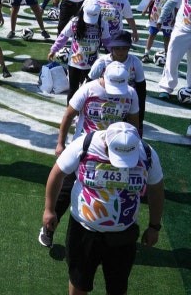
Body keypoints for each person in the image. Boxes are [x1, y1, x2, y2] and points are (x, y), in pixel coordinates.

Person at [42, 121, 164, 295]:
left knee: (118, 284)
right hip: (84, 230)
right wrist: (50, 209)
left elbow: (157, 188)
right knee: (79, 278)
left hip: (124, 234)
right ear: (106, 142)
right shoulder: (85, 144)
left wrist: (154, 226)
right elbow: (57, 173)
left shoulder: (147, 154)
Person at [40, 61, 140, 249]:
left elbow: (134, 125)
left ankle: (113, 233)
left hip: (116, 151)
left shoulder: (131, 94)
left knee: (116, 190)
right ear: (104, 77)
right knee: (66, 188)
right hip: (85, 148)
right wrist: (61, 143)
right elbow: (69, 115)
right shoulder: (89, 89)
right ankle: (50, 225)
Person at [49, 2, 103, 104]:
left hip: (92, 63)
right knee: (73, 89)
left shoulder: (102, 23)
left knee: (89, 90)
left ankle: (85, 113)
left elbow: (107, 40)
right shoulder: (75, 22)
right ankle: (71, 113)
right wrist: (54, 49)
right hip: (75, 62)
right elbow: (63, 37)